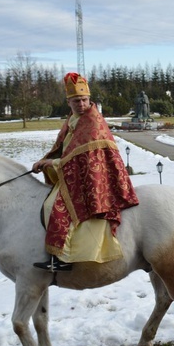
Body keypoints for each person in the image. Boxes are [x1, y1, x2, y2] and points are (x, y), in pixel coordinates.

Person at [32, 73, 139, 272]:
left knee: (54, 206)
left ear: (89, 100)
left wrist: (51, 162)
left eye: (83, 100)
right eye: (76, 101)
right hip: (76, 172)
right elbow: (65, 148)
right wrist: (45, 161)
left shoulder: (92, 121)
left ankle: (62, 259)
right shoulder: (72, 119)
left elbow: (80, 159)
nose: (81, 104)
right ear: (68, 102)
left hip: (95, 177)